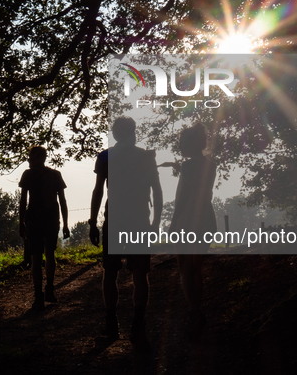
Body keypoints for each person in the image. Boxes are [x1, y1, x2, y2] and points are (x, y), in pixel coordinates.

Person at [89, 116, 163, 352]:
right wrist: (155, 223)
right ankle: (138, 326)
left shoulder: (105, 156)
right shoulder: (146, 156)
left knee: (110, 272)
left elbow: (98, 190)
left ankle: (111, 323)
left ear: (115, 133)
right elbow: (157, 192)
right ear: (133, 132)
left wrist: (93, 221)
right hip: (140, 219)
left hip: (115, 220)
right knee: (140, 274)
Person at [163, 122, 218, 339]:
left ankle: (194, 312)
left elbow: (182, 197)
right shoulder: (210, 165)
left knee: (185, 268)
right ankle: (197, 311)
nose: (179, 146)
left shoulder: (187, 167)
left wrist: (173, 224)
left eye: (181, 142)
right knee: (196, 268)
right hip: (206, 217)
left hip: (187, 220)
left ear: (190, 144)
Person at [19, 146, 70, 311]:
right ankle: (48, 288)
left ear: (37, 158)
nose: (28, 160)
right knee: (49, 253)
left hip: (35, 219)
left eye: (30, 157)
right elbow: (62, 201)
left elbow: (22, 201)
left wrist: (21, 222)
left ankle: (38, 295)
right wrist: (65, 223)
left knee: (36, 257)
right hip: (51, 218)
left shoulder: (28, 175)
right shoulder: (55, 175)